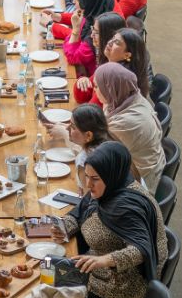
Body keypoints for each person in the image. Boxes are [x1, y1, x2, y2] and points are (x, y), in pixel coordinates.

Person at [50, 141, 167, 298]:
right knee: (50, 275)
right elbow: (80, 211)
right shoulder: (111, 187)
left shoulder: (126, 208)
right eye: (87, 177)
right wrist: (65, 228)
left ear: (110, 174)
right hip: (100, 267)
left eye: (94, 178)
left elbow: (141, 250)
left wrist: (104, 260)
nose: (88, 184)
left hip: (124, 288)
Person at [94, 62, 165, 193]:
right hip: (140, 170)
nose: (95, 90)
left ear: (109, 88)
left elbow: (96, 157)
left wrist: (67, 135)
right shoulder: (126, 98)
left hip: (138, 187)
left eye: (97, 86)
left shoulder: (126, 123)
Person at [44, 104, 118, 194]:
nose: (67, 128)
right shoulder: (112, 142)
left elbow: (90, 198)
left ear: (88, 135)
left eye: (73, 127)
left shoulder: (85, 160)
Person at [63, 0, 114, 87]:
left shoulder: (97, 32)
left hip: (91, 83)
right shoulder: (89, 19)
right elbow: (68, 42)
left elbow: (73, 57)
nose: (74, 1)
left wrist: (75, 30)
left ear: (89, 3)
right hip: (84, 76)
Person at [73, 12, 126, 105]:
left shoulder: (113, 75)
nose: (91, 35)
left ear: (108, 36)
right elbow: (81, 97)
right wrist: (82, 81)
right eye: (92, 29)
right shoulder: (107, 62)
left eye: (96, 32)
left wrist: (75, 31)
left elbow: (91, 114)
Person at [104, 28, 151, 98]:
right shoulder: (111, 68)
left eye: (116, 42)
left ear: (127, 55)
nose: (110, 42)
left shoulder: (118, 80)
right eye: (112, 38)